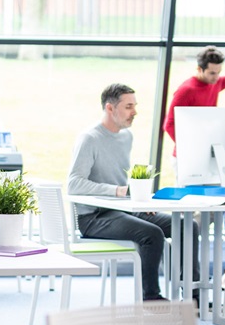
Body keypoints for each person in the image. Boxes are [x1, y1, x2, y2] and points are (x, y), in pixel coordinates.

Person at [67, 83, 200, 301]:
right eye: (129, 106)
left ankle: (192, 294)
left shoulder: (126, 136)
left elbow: (118, 179)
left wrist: (137, 203)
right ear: (110, 108)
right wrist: (117, 191)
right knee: (152, 234)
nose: (135, 112)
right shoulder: (89, 138)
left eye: (135, 106)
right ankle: (151, 298)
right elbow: (73, 183)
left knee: (187, 225)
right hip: (94, 217)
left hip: (122, 210)